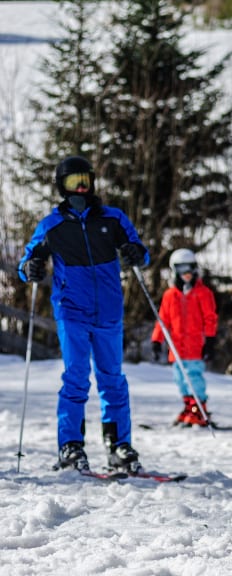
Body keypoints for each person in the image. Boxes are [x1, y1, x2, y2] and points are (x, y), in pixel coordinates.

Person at [17, 155, 150, 474]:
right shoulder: (52, 225)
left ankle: (118, 445)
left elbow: (139, 251)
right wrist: (30, 268)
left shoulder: (113, 219)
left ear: (92, 182)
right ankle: (71, 445)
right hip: (71, 311)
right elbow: (27, 261)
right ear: (61, 187)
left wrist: (135, 253)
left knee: (112, 380)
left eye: (84, 180)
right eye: (72, 182)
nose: (79, 187)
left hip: (108, 312)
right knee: (76, 377)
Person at [150, 248, 218, 427]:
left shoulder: (203, 293)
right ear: (175, 272)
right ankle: (189, 407)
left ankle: (199, 408)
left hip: (196, 346)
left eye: (189, 270)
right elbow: (163, 320)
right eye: (181, 270)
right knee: (180, 379)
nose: (186, 274)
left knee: (194, 377)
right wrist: (157, 340)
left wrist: (210, 340)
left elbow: (210, 318)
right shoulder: (170, 295)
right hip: (177, 347)